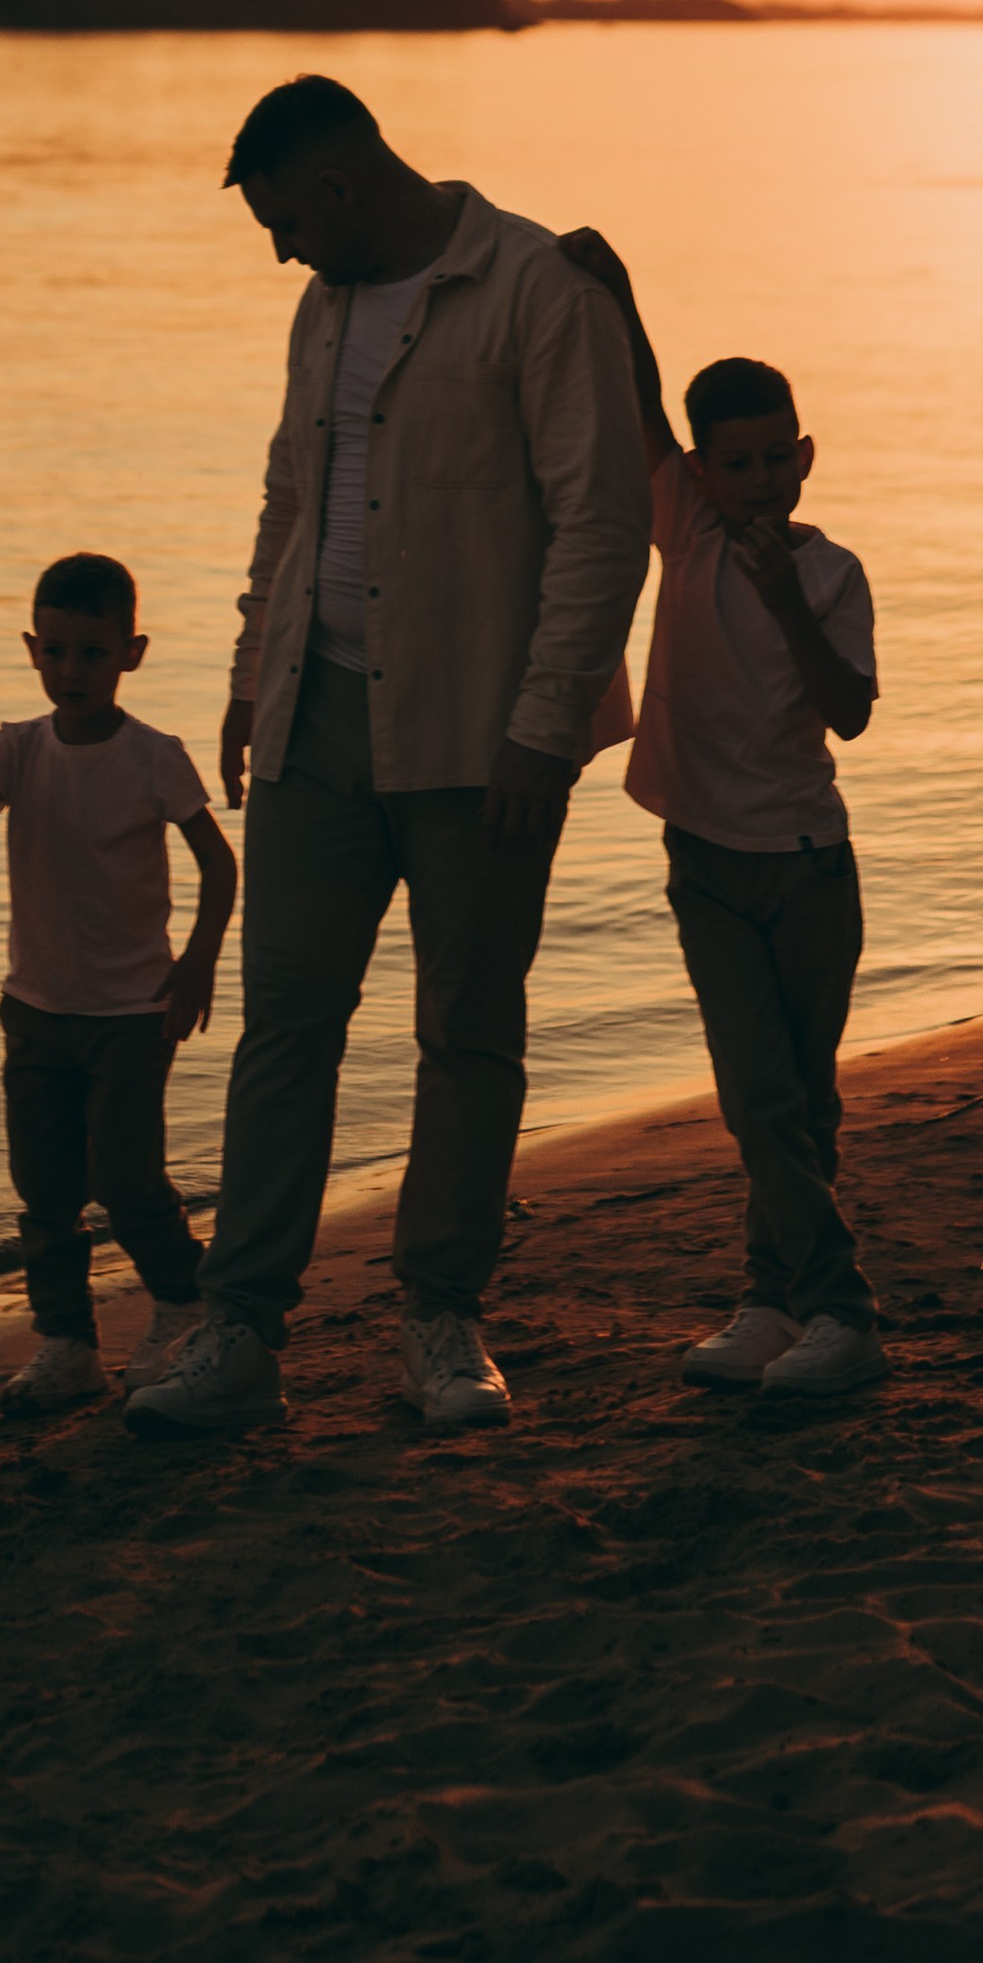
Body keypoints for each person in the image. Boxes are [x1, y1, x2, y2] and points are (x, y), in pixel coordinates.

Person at [127, 76, 651, 1439]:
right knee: (285, 1028)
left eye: (288, 218)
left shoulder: (540, 289)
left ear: (344, 185)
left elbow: (602, 523)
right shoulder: (323, 308)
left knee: (468, 1032)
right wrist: (254, 679)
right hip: (316, 722)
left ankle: (441, 1317)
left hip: (486, 735)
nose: (281, 251)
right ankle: (241, 1331)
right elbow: (288, 501)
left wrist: (549, 724)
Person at [562, 229, 887, 1400]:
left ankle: (793, 1301)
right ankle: (816, 1307)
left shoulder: (830, 569)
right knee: (758, 1097)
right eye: (730, 464)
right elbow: (642, 407)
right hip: (706, 861)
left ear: (802, 459)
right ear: (702, 473)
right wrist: (618, 290)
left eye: (770, 462)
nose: (752, 482)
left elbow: (847, 709)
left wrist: (784, 594)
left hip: (808, 869)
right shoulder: (684, 530)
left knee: (800, 1102)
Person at [0, 552, 237, 1416]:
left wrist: (198, 961)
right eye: (59, 652)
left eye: (94, 654)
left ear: (131, 654)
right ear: (34, 650)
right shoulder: (18, 747)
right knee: (44, 1189)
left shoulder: (155, 757)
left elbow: (219, 867)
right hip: (35, 1008)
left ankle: (183, 1304)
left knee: (127, 1176)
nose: (73, 671)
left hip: (130, 1011)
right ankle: (66, 1343)